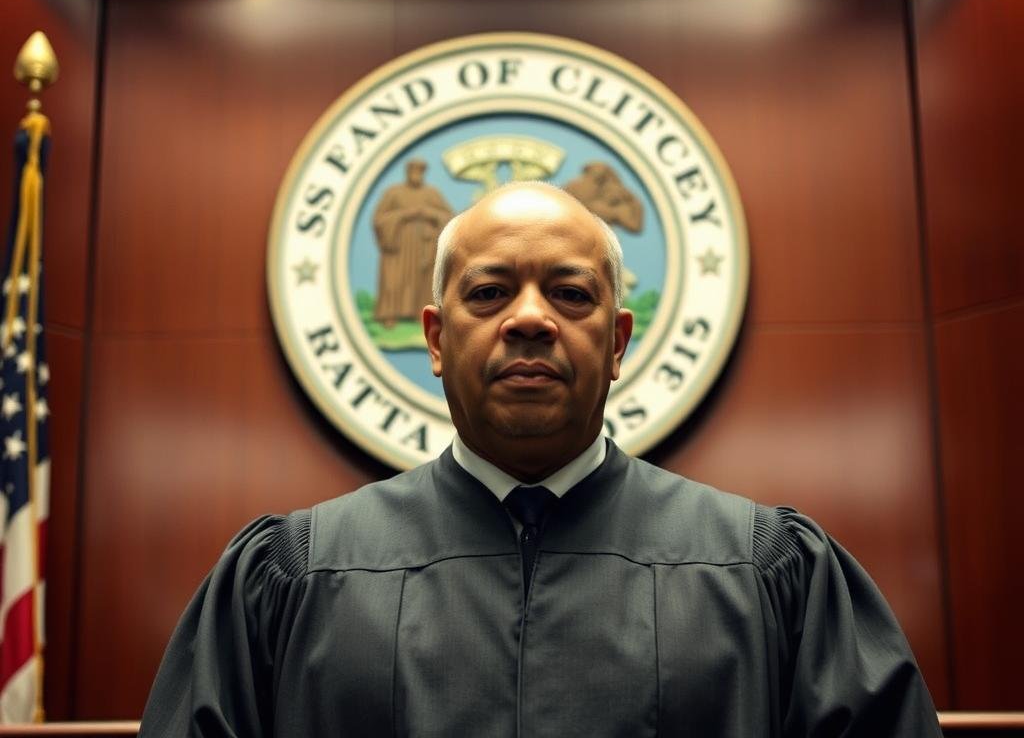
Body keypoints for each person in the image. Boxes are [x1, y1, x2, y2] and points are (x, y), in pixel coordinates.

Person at [140, 183, 942, 736]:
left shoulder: (766, 571)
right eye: (489, 293)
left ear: (619, 341)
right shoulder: (293, 576)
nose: (530, 319)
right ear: (434, 337)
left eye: (570, 293)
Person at [371, 158, 452, 328]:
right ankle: (390, 315)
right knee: (394, 279)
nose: (416, 175)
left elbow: (450, 219)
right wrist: (404, 215)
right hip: (399, 247)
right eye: (413, 171)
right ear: (408, 172)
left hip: (424, 246)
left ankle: (421, 313)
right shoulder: (393, 193)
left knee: (423, 280)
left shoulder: (431, 194)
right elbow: (379, 219)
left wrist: (429, 213)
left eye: (420, 171)